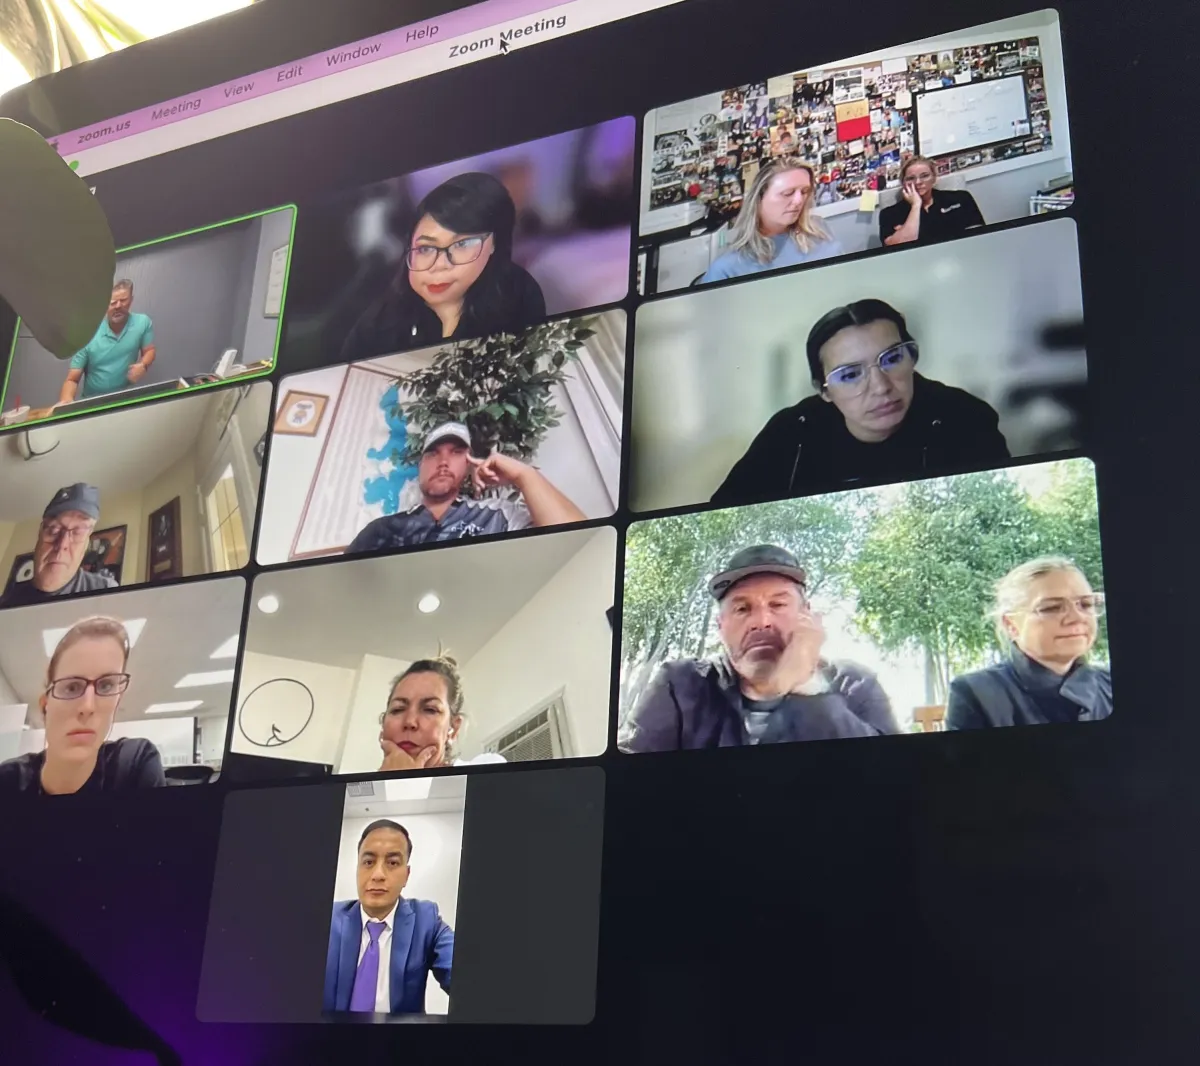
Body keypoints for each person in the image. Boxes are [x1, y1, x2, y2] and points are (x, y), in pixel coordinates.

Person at [710, 299, 1010, 506]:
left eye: (892, 359)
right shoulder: (791, 433)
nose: (881, 387)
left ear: (912, 357)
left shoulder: (966, 419)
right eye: (851, 374)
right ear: (823, 390)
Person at [618, 545, 899, 752]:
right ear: (721, 626)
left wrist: (805, 685)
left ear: (807, 614)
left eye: (778, 605)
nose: (761, 621)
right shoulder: (680, 685)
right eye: (742, 608)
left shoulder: (855, 684)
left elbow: (893, 782)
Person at [339, 172, 547, 362]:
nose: (439, 266)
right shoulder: (376, 323)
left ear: (494, 244)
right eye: (426, 249)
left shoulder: (520, 294)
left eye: (461, 245)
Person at [345, 422, 585, 553]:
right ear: (421, 465)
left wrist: (523, 475)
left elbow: (577, 542)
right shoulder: (381, 531)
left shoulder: (499, 515)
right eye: (433, 453)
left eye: (456, 452)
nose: (443, 462)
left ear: (469, 465)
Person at [0, 617, 165, 794]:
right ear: (45, 705)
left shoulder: (134, 763)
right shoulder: (8, 781)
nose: (87, 707)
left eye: (105, 685)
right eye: (71, 687)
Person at [946, 557, 1112, 730]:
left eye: (1085, 604)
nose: (1077, 618)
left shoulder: (1110, 684)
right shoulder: (976, 694)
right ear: (1011, 625)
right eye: (1051, 608)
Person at [323, 820, 454, 1015]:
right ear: (357, 869)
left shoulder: (427, 920)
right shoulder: (328, 918)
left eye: (392, 863)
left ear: (406, 875)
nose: (377, 875)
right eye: (368, 862)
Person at [699, 159, 843, 284]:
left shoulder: (820, 229)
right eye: (787, 193)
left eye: (804, 191)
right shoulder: (728, 267)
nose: (799, 201)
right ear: (759, 198)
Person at [375, 655, 506, 772]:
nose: (409, 722)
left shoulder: (485, 771)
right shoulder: (359, 791)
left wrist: (402, 784)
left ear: (453, 728)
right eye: (397, 709)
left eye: (430, 710)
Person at [0, 484, 117, 608]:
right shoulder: (6, 605)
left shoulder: (107, 593)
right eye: (53, 530)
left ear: (86, 544)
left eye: (78, 532)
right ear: (40, 534)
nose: (62, 544)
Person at [57, 280, 156, 404]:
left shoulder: (142, 322)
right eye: (113, 302)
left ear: (131, 299)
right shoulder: (88, 334)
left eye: (123, 300)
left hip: (126, 401)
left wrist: (143, 365)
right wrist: (66, 400)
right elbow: (72, 379)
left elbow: (149, 351)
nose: (118, 306)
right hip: (93, 403)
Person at [878, 156, 985, 247]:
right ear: (903, 183)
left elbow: (979, 237)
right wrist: (916, 205)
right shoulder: (889, 214)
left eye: (924, 176)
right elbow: (895, 250)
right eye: (911, 178)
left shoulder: (960, 198)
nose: (918, 182)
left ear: (934, 178)